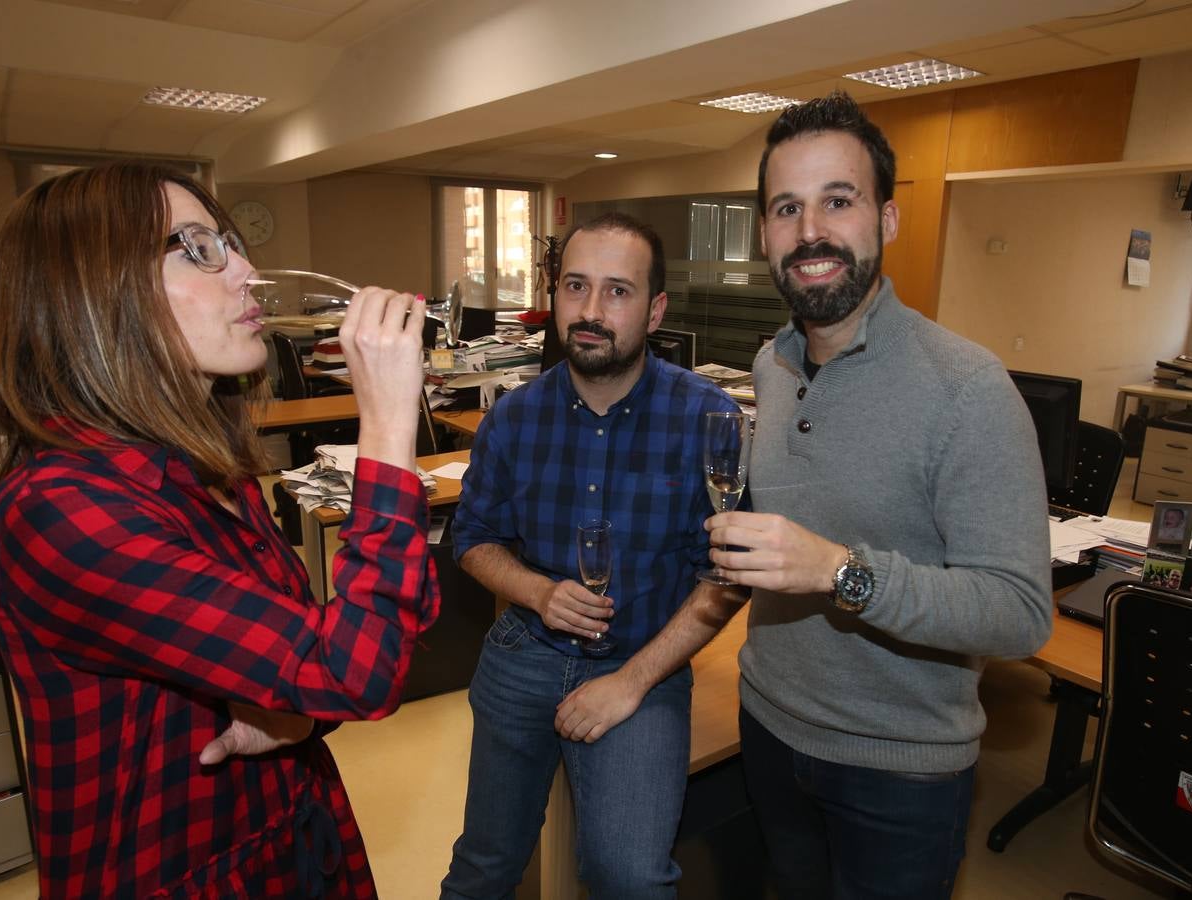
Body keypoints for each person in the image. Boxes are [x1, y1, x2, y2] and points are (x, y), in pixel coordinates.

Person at [0, 162, 440, 899]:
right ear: (96, 289)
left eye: (229, 243)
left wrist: (301, 722)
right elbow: (354, 669)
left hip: (290, 837)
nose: (246, 272)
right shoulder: (58, 509)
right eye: (197, 248)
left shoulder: (209, 468)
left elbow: (325, 660)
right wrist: (386, 426)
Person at [704, 91, 1053, 899]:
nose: (810, 231)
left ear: (887, 220)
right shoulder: (772, 365)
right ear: (764, 233)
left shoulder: (968, 388)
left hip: (900, 772)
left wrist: (838, 571)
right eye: (786, 208)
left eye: (839, 200)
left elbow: (1017, 612)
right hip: (769, 726)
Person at [440, 213, 746, 899]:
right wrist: (537, 591)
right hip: (524, 654)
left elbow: (726, 577)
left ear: (656, 308)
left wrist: (633, 681)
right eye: (576, 286)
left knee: (628, 878)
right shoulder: (514, 417)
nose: (590, 311)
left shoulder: (708, 419)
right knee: (484, 865)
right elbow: (471, 538)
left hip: (644, 663)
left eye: (617, 291)